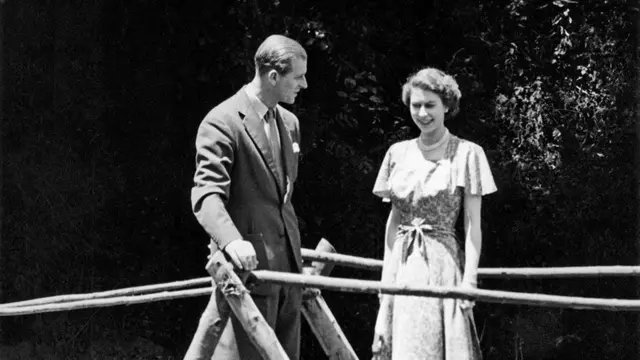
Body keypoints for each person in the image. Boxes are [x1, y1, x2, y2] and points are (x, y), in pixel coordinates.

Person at [189, 34, 308, 360]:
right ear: (273, 76)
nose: (305, 84)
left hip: (288, 274)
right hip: (248, 274)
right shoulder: (222, 121)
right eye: (298, 77)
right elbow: (207, 194)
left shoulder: (290, 123)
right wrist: (230, 241)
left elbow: (282, 198)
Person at [371, 67, 497, 360]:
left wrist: (469, 281)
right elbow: (394, 222)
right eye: (416, 105)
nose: (423, 113)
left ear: (447, 106)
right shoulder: (397, 153)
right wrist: (385, 279)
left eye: (431, 105)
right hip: (402, 266)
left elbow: (472, 225)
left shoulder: (468, 153)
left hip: (442, 265)